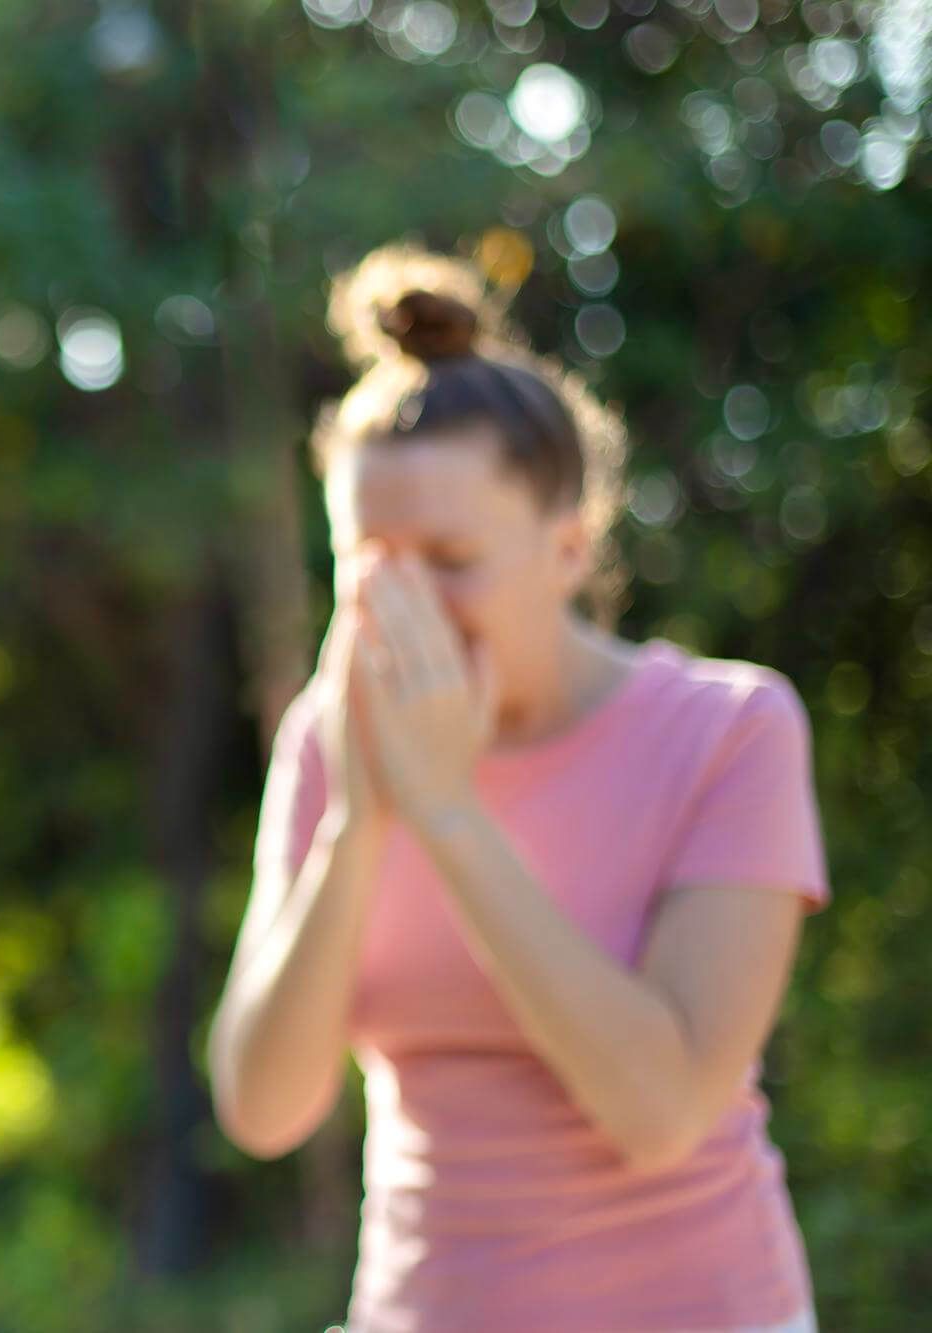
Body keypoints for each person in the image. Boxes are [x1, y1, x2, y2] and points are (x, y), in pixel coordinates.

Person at [206, 243, 828, 1333]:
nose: (407, 605)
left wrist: (446, 812)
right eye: (369, 563)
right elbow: (261, 1107)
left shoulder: (729, 732)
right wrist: (359, 819)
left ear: (567, 547)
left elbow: (660, 1108)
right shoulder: (327, 740)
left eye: (448, 560)